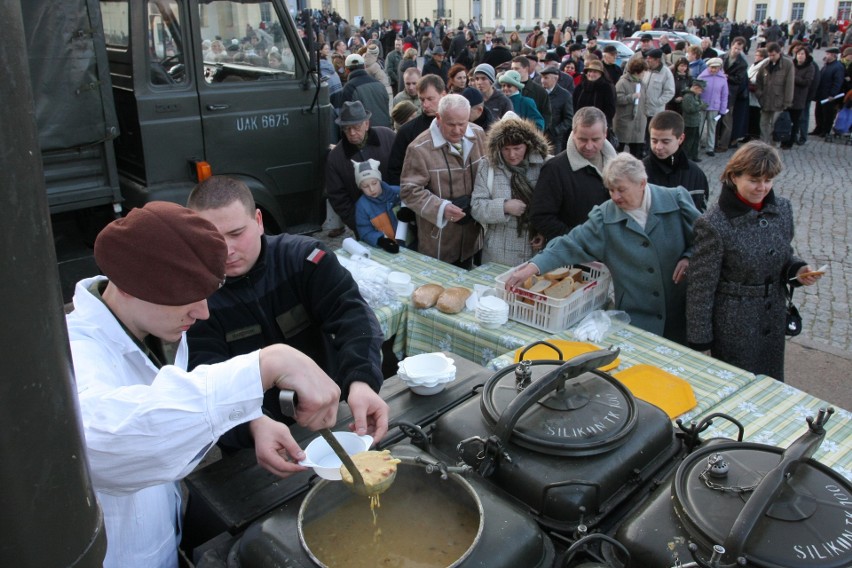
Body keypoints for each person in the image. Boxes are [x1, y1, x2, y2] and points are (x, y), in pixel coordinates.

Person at [67, 202, 342, 567]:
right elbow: (106, 442)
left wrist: (250, 418)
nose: (203, 313)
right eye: (187, 297)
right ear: (129, 286)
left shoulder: (152, 326)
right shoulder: (74, 353)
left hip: (163, 531)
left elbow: (174, 398)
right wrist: (266, 364)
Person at [186, 177, 389, 445]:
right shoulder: (194, 298)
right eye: (212, 239)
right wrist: (251, 425)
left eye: (236, 234)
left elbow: (354, 318)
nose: (227, 251)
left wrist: (361, 381)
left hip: (329, 413)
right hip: (254, 441)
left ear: (258, 221)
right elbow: (204, 381)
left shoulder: (305, 260)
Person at [507, 153, 699, 344]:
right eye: (610, 190)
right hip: (636, 321)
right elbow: (570, 243)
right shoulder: (604, 217)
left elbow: (706, 240)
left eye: (621, 190)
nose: (615, 197)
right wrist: (533, 267)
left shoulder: (676, 200)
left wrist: (689, 257)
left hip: (680, 319)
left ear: (642, 183)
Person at [687, 142, 822, 380]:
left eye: (768, 180)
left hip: (771, 319)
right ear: (733, 176)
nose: (763, 187)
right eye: (754, 180)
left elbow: (783, 254)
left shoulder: (782, 209)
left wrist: (798, 270)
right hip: (733, 326)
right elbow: (700, 289)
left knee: (769, 386)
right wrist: (700, 342)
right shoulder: (713, 224)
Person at [400, 94, 487, 267]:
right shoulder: (419, 148)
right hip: (438, 240)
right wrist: (441, 207)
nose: (457, 130)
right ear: (438, 118)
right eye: (451, 124)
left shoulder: (478, 134)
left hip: (472, 235)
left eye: (462, 124)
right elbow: (409, 191)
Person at [471, 115, 552, 265]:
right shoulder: (487, 166)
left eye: (517, 148)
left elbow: (553, 206)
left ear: (528, 145)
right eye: (506, 149)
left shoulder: (544, 166)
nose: (512, 155)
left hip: (534, 252)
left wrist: (543, 232)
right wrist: (504, 206)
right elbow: (476, 207)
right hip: (498, 254)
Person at [530, 106, 617, 242]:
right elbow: (541, 216)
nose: (589, 146)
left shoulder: (619, 167)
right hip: (572, 254)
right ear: (573, 133)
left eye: (595, 140)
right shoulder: (555, 169)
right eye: (582, 139)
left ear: (605, 134)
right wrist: (579, 240)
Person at [325, 101, 396, 235]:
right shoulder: (335, 158)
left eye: (356, 127)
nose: (352, 133)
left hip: (398, 213)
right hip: (366, 223)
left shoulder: (388, 137)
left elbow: (404, 171)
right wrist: (360, 224)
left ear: (366, 124)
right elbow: (338, 198)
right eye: (346, 128)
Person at [644, 111, 710, 211]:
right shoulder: (640, 172)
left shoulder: (696, 174)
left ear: (681, 139)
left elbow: (700, 213)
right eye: (654, 140)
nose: (658, 147)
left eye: (665, 141)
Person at [387, 74, 447, 184]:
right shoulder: (407, 131)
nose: (425, 105)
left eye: (430, 99)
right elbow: (394, 170)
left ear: (443, 94)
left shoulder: (456, 125)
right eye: (422, 99)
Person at [353, 159, 403, 253]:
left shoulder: (398, 192)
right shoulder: (362, 206)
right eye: (365, 186)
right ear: (360, 188)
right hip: (387, 250)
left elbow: (416, 206)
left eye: (374, 183)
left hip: (412, 245)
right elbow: (365, 230)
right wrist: (380, 241)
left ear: (379, 180)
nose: (372, 189)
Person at [336, 53, 392, 128]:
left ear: (346, 70)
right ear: (364, 67)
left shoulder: (349, 88)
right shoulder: (379, 84)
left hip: (365, 134)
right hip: (385, 131)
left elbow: (346, 119)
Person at [715, 37, 749, 152]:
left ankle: (724, 144)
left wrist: (728, 77)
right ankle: (714, 142)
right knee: (716, 118)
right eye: (735, 48)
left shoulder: (742, 63)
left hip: (730, 94)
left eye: (739, 49)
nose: (736, 51)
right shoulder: (722, 57)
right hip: (717, 91)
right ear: (731, 46)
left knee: (727, 120)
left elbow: (739, 80)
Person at [614, 57, 649, 158]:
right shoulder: (622, 82)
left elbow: (645, 100)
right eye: (643, 72)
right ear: (637, 71)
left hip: (639, 122)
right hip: (624, 121)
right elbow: (617, 99)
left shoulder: (642, 84)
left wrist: (645, 113)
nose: (644, 74)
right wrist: (631, 97)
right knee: (620, 150)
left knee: (637, 152)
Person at [641, 49, 676, 149]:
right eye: (647, 58)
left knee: (652, 135)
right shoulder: (646, 70)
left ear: (657, 60)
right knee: (642, 134)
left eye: (650, 59)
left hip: (655, 111)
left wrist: (658, 102)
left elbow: (670, 92)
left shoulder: (666, 73)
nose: (647, 60)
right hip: (642, 110)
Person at [782, 46, 816, 149]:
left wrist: (793, 77)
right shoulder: (792, 64)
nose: (800, 56)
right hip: (787, 96)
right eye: (798, 54)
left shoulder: (810, 67)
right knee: (785, 120)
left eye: (802, 54)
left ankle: (791, 140)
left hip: (799, 98)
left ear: (806, 56)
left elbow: (807, 82)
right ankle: (784, 138)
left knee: (795, 121)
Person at [511, 56, 553, 131]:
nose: (513, 71)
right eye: (512, 69)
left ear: (526, 69)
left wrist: (539, 132)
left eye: (517, 69)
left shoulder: (540, 91)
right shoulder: (507, 89)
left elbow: (546, 115)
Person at [698, 58, 729, 156]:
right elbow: (696, 92)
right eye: (712, 67)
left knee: (712, 129)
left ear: (719, 68)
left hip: (715, 107)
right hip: (702, 106)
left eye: (716, 68)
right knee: (699, 128)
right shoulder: (702, 77)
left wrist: (722, 110)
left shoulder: (722, 79)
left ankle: (710, 148)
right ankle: (696, 146)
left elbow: (724, 95)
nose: (713, 70)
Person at [811, 47, 845, 137]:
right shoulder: (826, 65)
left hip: (829, 95)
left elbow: (838, 82)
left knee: (827, 114)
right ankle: (818, 128)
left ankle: (825, 131)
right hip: (821, 93)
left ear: (833, 55)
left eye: (828, 54)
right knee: (818, 112)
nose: (826, 56)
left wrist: (832, 94)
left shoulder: (838, 67)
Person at [572, 59, 616, 128]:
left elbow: (610, 110)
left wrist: (601, 124)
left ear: (601, 74)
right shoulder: (580, 87)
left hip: (598, 126)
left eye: (595, 72)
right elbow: (573, 106)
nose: (591, 74)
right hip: (580, 125)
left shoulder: (606, 88)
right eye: (590, 71)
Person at [540, 66, 574, 153]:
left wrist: (556, 131)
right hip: (539, 136)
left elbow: (569, 119)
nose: (543, 80)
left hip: (555, 140)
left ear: (555, 78)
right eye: (542, 78)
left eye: (546, 78)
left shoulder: (565, 95)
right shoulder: (539, 92)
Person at [681, 79, 708, 162]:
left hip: (695, 122)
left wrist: (701, 105)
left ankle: (694, 155)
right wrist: (701, 106)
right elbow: (689, 109)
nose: (701, 92)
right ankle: (685, 158)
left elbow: (699, 104)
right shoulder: (688, 96)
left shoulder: (694, 95)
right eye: (700, 90)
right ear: (696, 88)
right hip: (689, 123)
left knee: (695, 140)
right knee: (688, 141)